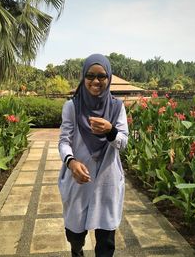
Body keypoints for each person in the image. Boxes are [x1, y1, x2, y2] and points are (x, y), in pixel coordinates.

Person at [58, 53, 129, 257]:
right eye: (90, 75)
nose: (95, 81)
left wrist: (110, 131)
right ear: (83, 77)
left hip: (107, 180)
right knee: (75, 234)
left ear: (109, 78)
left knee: (106, 241)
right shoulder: (72, 106)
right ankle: (76, 251)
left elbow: (123, 142)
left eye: (101, 76)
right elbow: (64, 141)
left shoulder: (117, 107)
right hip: (78, 180)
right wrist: (71, 163)